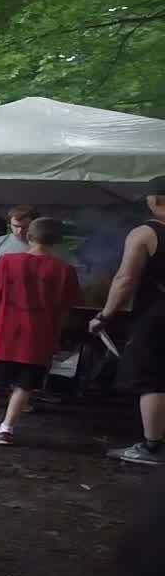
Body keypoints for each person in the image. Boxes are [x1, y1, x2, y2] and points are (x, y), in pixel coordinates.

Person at [0, 218, 79, 445]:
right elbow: (65, 310)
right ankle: (6, 429)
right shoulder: (65, 270)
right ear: (58, 240)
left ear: (28, 236)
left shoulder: (6, 263)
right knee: (24, 384)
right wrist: (56, 334)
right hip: (40, 334)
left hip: (6, 329)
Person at [93, 178, 165, 465]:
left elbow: (125, 280)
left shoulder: (146, 233)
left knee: (153, 380)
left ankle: (153, 447)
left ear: (155, 200)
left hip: (157, 316)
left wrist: (105, 315)